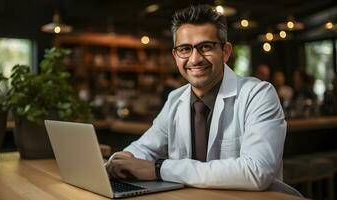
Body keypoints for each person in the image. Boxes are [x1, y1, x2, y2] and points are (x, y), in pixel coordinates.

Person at [105, 5, 287, 191]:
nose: (194, 59)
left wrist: (159, 169)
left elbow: (256, 171)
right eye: (185, 49)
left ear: (225, 52)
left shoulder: (258, 94)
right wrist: (120, 160)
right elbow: (146, 148)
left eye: (205, 47)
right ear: (176, 56)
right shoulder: (175, 99)